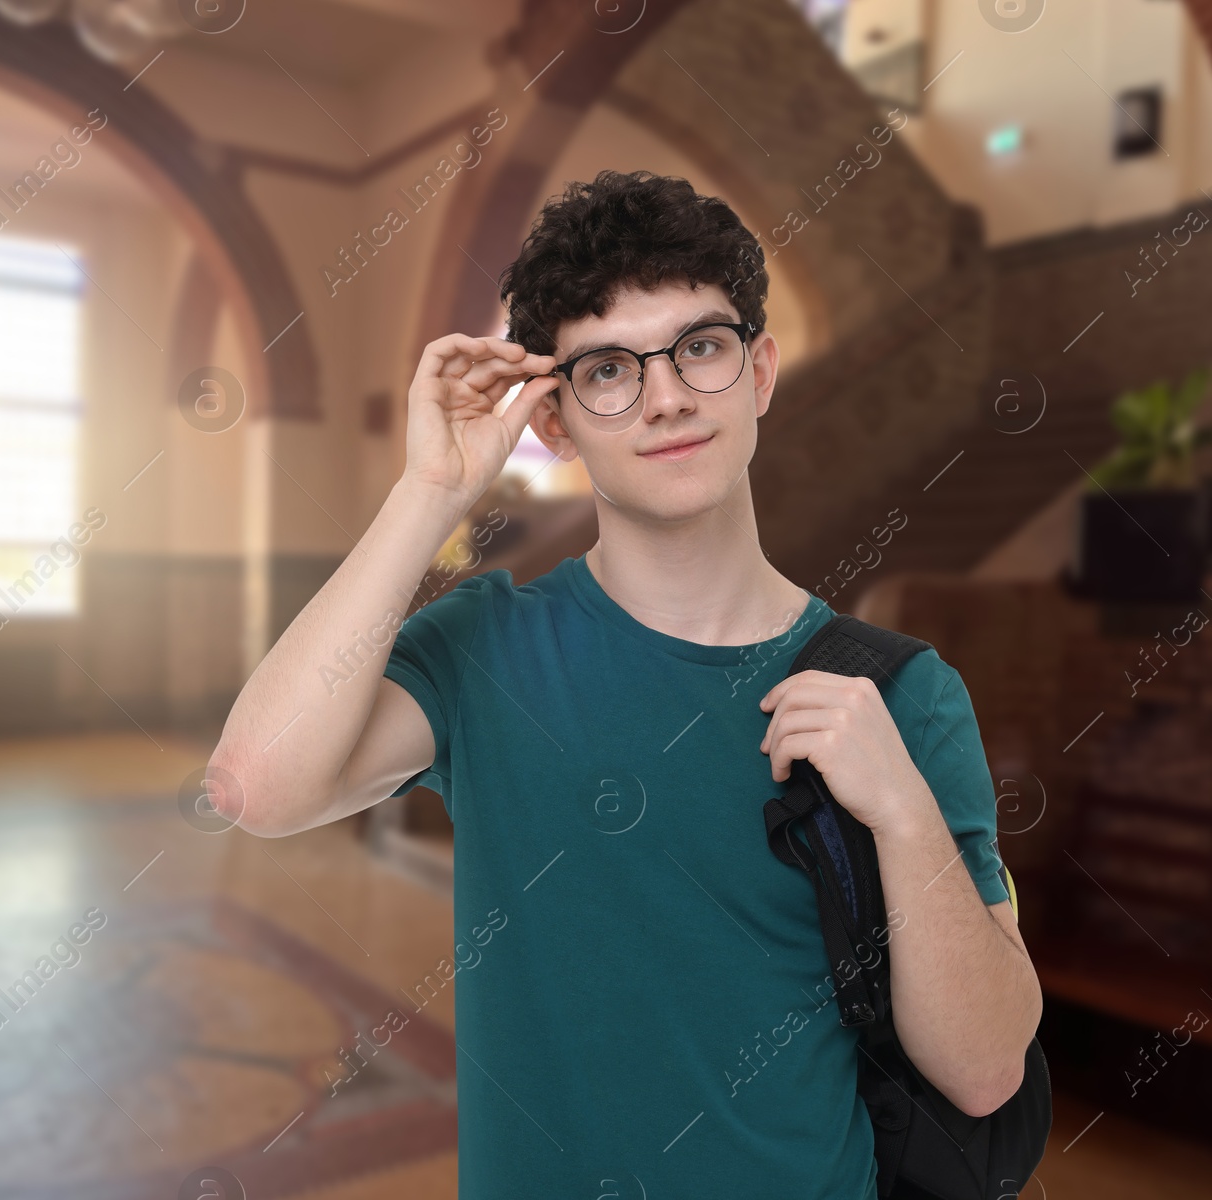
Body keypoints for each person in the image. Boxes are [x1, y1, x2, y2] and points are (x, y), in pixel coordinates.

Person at [207, 169, 1041, 1198]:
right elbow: (255, 785)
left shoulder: (901, 693)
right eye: (607, 369)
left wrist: (904, 816)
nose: (666, 396)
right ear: (552, 423)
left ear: (759, 371)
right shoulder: (487, 649)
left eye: (700, 347)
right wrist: (431, 495)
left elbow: (984, 1067)